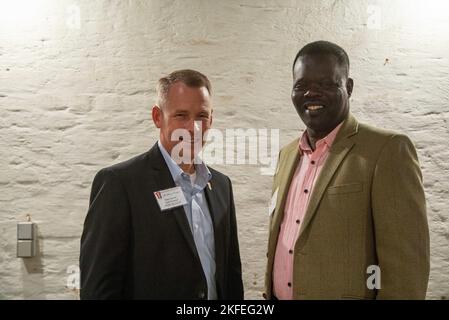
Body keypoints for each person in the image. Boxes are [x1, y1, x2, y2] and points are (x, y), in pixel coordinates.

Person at [264, 41, 430, 300]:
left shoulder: (386, 151)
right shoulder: (286, 155)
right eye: (301, 85)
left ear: (348, 87)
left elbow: (405, 270)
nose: (311, 93)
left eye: (326, 84)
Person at [80, 69, 243, 299]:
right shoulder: (120, 184)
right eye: (181, 115)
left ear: (211, 119)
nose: (192, 128)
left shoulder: (221, 186)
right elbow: (99, 290)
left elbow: (231, 276)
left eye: (201, 116)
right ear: (158, 117)